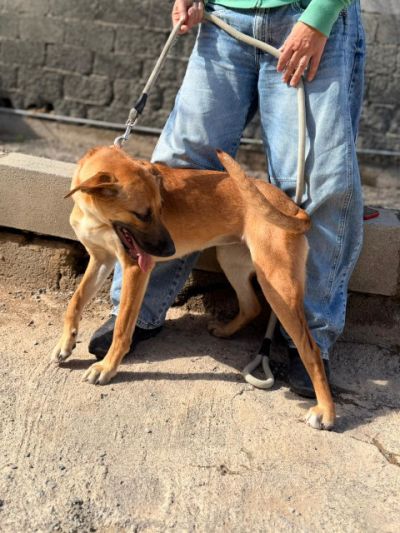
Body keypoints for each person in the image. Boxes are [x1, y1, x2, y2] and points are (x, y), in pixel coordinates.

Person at [89, 0, 365, 398]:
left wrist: (321, 15)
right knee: (176, 165)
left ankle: (309, 339)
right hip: (225, 15)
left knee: (318, 184)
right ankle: (135, 315)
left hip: (307, 15)